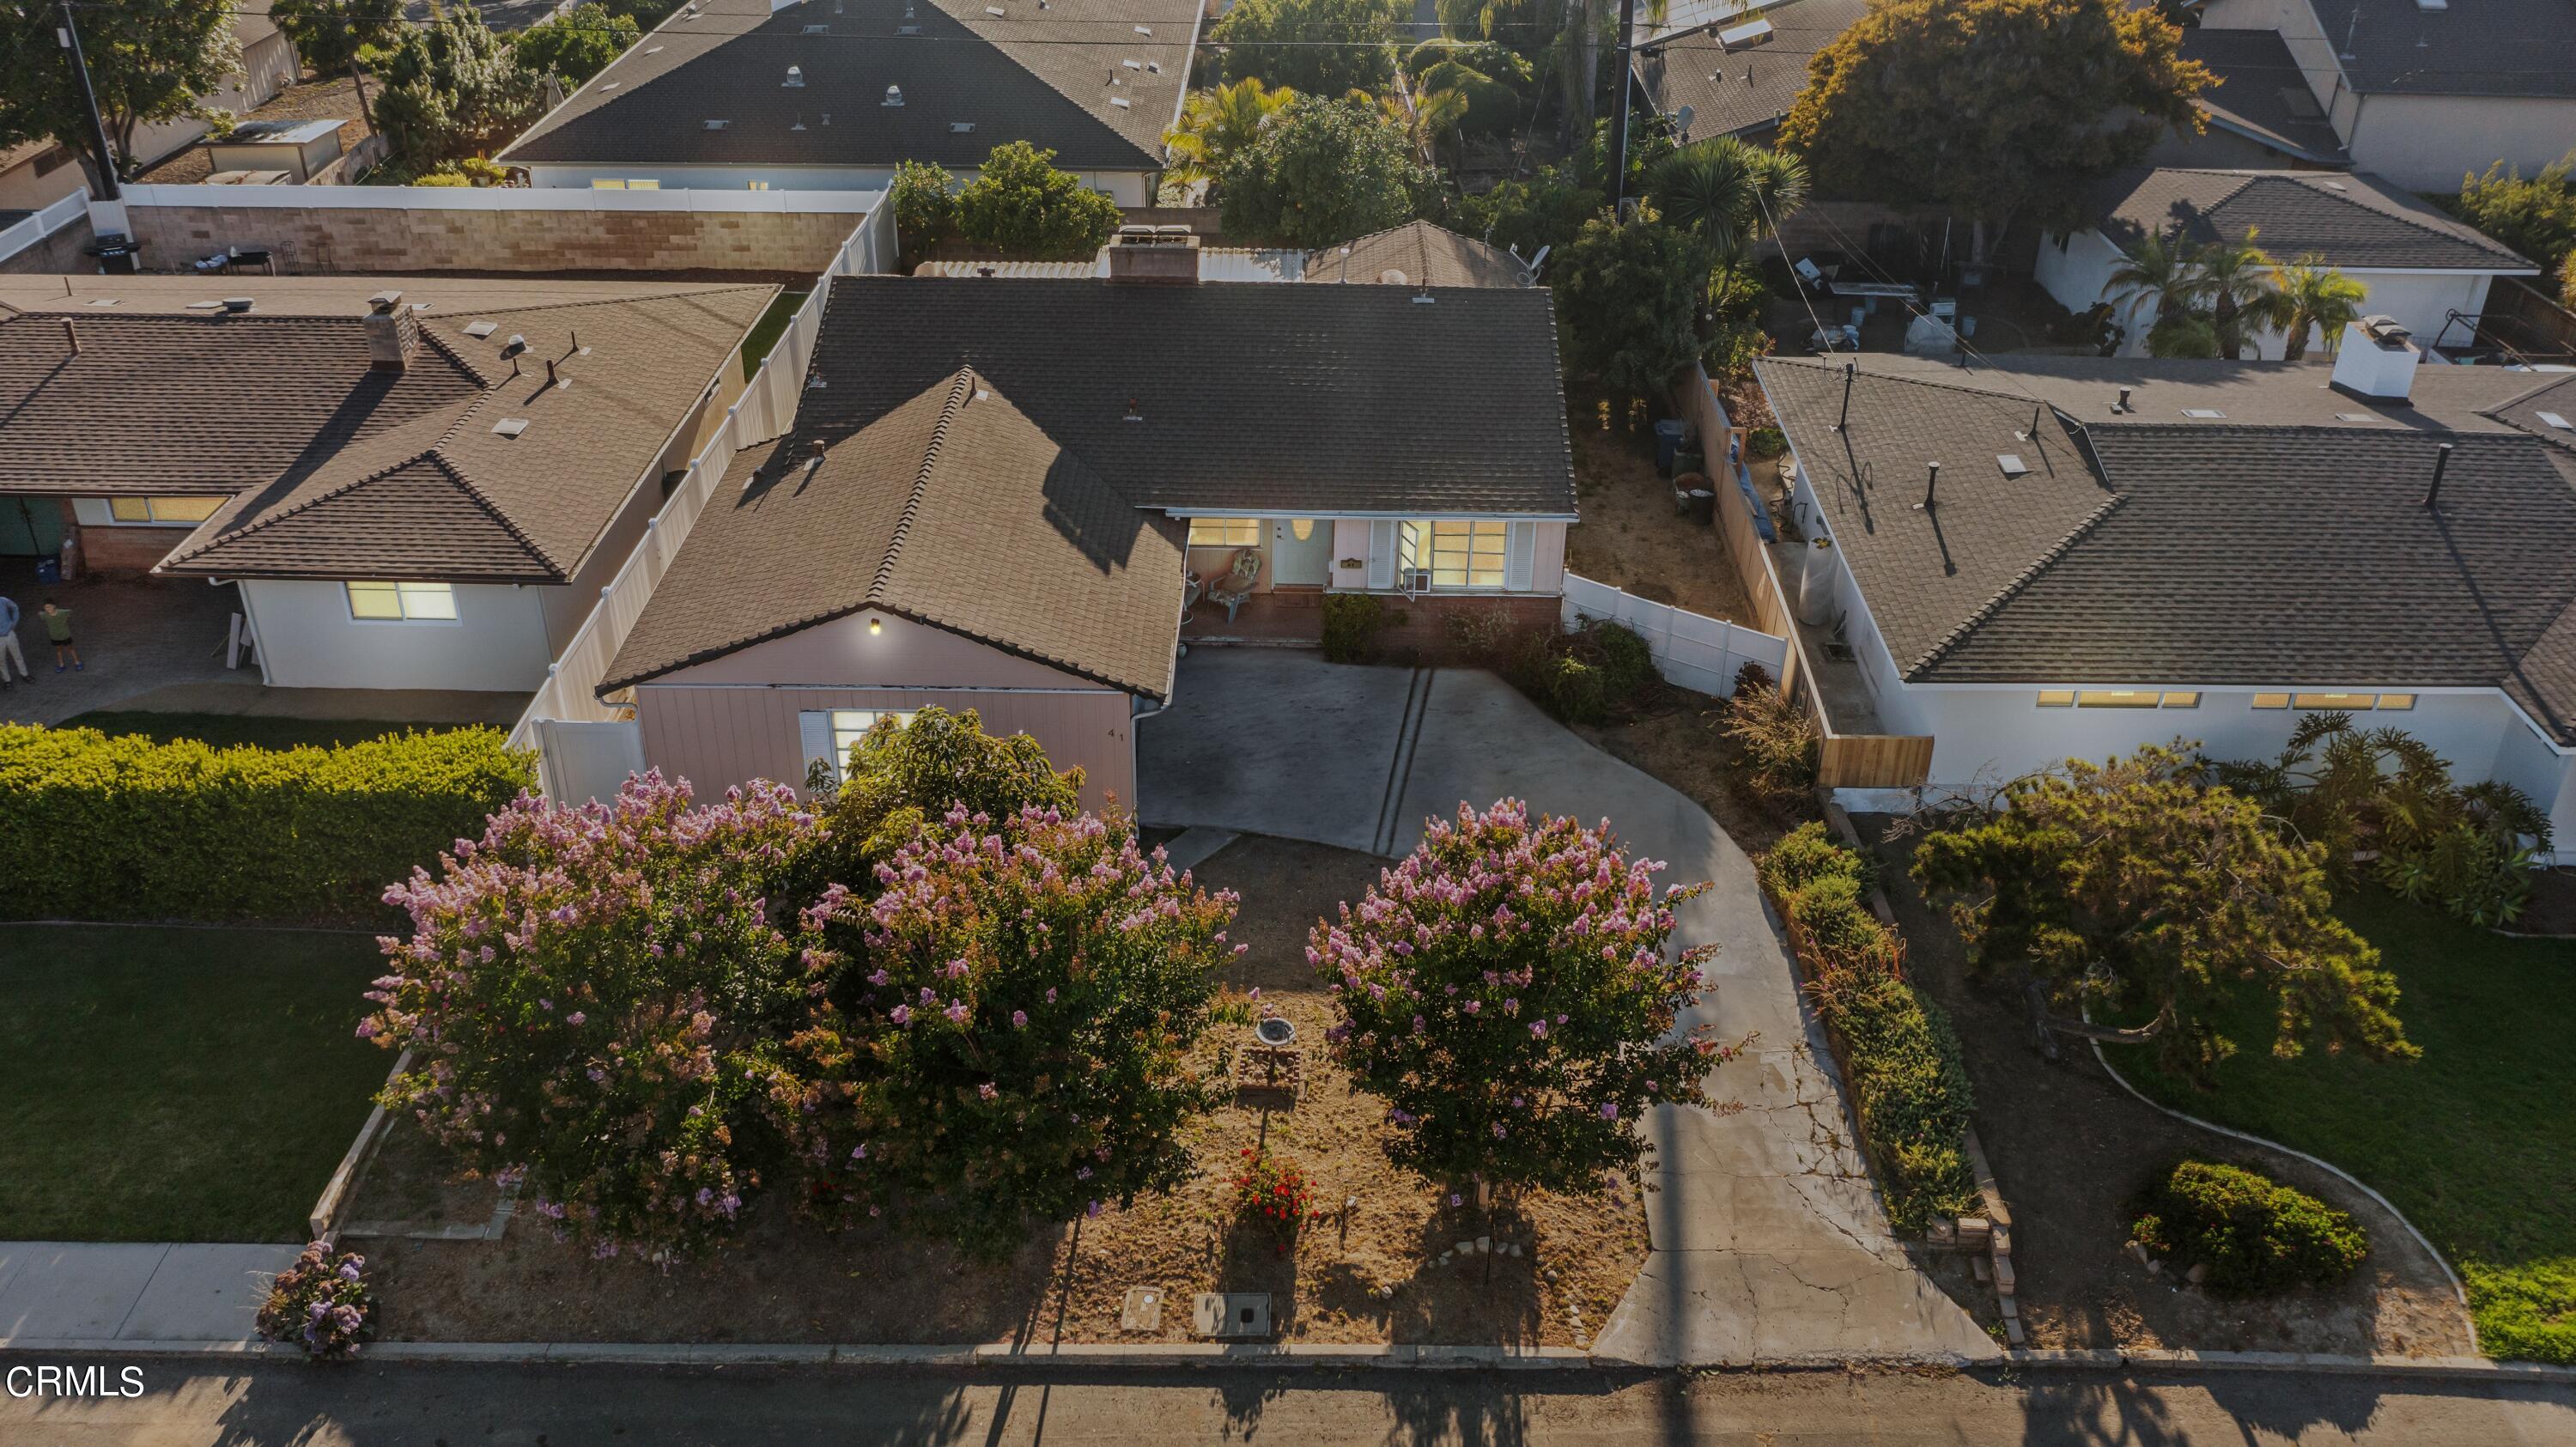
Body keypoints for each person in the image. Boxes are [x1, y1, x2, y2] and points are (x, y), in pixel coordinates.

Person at [39, 598, 79, 672]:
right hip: (55, 637)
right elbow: (40, 614)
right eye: (45, 607)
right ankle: (61, 664)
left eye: (49, 606)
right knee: (59, 650)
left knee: (70, 649)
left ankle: (77, 662)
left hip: (65, 635)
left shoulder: (61, 612)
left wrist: (65, 619)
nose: (48, 609)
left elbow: (70, 611)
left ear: (54, 606)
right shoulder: (44, 615)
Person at [0, 592, 25, 687]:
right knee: (1, 660)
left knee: (17, 655)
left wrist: (14, 623)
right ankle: (7, 680)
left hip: (9, 633)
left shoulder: (2, 600)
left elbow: (15, 608)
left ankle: (24, 674)